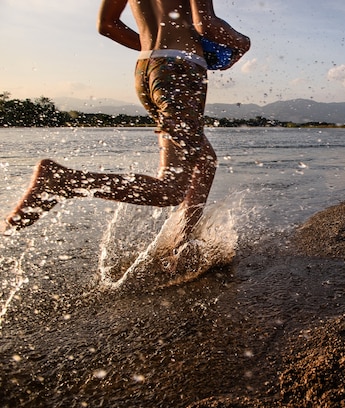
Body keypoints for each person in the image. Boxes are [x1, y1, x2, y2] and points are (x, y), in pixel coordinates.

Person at [1, 0, 250, 236]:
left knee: (204, 161)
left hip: (147, 68)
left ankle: (182, 243)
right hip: (180, 71)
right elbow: (205, 24)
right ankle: (63, 181)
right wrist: (242, 42)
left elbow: (107, 25)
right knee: (170, 190)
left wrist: (152, 46)